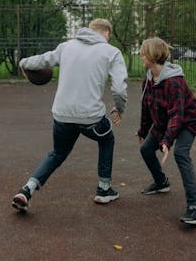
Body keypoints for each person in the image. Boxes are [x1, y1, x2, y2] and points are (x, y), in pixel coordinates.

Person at [12, 18, 128, 212]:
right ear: (106, 33)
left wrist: (23, 63)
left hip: (62, 115)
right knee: (107, 140)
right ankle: (104, 189)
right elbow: (119, 87)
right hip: (91, 118)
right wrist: (120, 108)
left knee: (58, 153)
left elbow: (40, 61)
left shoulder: (66, 47)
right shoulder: (111, 52)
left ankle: (27, 190)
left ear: (89, 30)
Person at [137, 37, 196, 225]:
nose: (140, 56)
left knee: (181, 154)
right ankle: (161, 183)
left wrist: (167, 141)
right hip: (165, 121)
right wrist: (143, 131)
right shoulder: (148, 81)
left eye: (143, 53)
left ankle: (195, 209)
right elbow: (147, 108)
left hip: (187, 121)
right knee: (145, 150)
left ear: (152, 55)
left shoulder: (174, 82)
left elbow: (177, 114)